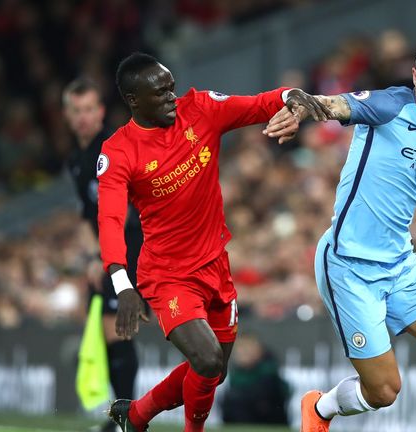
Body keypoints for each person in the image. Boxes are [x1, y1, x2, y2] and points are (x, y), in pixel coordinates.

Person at [264, 37, 416, 432]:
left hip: (401, 263)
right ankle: (321, 409)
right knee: (384, 391)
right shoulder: (392, 104)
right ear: (415, 77)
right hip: (349, 266)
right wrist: (301, 109)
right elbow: (334, 105)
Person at [98, 52, 330, 432]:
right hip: (168, 275)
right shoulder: (119, 151)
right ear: (134, 100)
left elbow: (259, 103)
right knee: (206, 361)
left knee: (213, 372)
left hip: (215, 265)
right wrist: (122, 284)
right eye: (160, 93)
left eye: (171, 87)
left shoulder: (201, 109)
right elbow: (109, 219)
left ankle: (136, 415)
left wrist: (293, 97)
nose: (172, 97)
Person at [62, 78, 143, 432]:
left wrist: (103, 257)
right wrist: (89, 258)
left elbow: (121, 211)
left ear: (100, 111)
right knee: (112, 334)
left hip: (131, 247)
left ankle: (127, 418)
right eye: (76, 110)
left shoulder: (111, 147)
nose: (83, 117)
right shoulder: (77, 159)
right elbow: (85, 215)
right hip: (107, 254)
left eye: (89, 109)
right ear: (67, 114)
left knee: (119, 331)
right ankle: (122, 415)